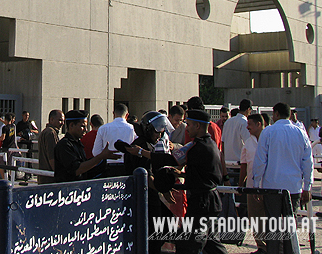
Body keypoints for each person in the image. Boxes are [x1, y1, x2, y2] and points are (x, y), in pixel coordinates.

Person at [252, 102, 313, 254]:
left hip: (272, 186)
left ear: (276, 114)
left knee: (273, 225)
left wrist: (256, 184)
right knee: (290, 225)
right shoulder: (301, 133)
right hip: (293, 187)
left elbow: (260, 161)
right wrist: (307, 186)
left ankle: (273, 251)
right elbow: (308, 162)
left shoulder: (269, 132)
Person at [175, 110, 227, 254]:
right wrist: (183, 175)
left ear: (197, 126)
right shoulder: (211, 144)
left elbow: (173, 160)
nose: (187, 128)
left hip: (202, 202)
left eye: (189, 124)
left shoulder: (196, 147)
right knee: (212, 244)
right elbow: (204, 174)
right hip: (210, 200)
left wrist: (142, 152)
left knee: (190, 244)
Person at [124, 111, 174, 254]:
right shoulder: (140, 147)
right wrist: (162, 189)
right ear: (148, 129)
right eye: (157, 130)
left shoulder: (146, 145)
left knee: (165, 225)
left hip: (149, 197)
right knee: (152, 236)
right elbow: (145, 175)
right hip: (143, 199)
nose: (159, 134)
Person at [54, 110, 119, 182]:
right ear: (71, 125)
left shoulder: (78, 143)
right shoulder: (64, 145)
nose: (86, 130)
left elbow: (85, 169)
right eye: (82, 126)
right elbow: (77, 169)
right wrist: (101, 156)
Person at [239, 113, 268, 254]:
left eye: (250, 124)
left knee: (270, 218)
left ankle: (274, 246)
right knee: (255, 217)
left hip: (269, 187)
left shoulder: (270, 139)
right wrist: (241, 185)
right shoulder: (247, 143)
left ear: (259, 124)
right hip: (252, 187)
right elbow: (244, 165)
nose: (247, 127)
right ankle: (261, 247)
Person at [92, 103, 136, 177]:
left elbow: (96, 152)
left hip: (109, 166)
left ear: (113, 113)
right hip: (127, 166)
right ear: (127, 115)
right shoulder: (132, 128)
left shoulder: (103, 128)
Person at [37, 109, 64, 184]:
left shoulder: (45, 132)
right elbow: (52, 157)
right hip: (49, 179)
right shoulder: (51, 133)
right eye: (60, 120)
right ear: (51, 119)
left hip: (43, 177)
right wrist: (59, 175)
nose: (62, 123)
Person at [222, 99, 252, 164]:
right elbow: (248, 142)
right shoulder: (244, 122)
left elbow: (223, 142)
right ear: (248, 109)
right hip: (239, 162)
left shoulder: (227, 122)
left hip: (227, 161)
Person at [16, 110, 38, 180]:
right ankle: (19, 173)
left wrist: (31, 131)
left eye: (28, 115)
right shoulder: (19, 124)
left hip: (29, 142)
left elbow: (37, 131)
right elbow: (16, 133)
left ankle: (29, 173)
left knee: (29, 157)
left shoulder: (31, 123)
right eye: (26, 115)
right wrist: (20, 135)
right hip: (21, 142)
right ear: (22, 115)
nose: (27, 117)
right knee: (21, 157)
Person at [0, 113, 17, 179]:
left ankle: (4, 178)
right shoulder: (13, 126)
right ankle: (11, 178)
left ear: (5, 119)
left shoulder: (4, 128)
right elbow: (8, 124)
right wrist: (1, 121)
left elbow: (3, 137)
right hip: (12, 148)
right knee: (10, 165)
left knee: (0, 164)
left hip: (5, 148)